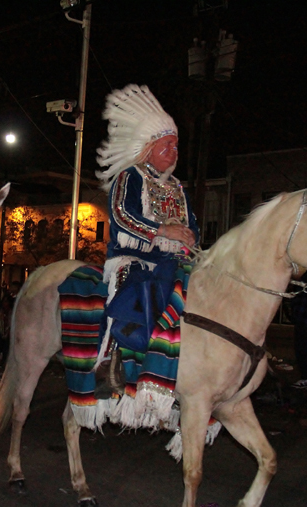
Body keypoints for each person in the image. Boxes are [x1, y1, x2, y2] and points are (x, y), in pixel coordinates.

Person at [94, 84, 199, 397]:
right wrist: (164, 231)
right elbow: (121, 215)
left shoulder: (178, 187)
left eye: (176, 147)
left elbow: (190, 223)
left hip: (172, 260)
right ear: (148, 146)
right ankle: (110, 361)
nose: (174, 153)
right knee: (126, 289)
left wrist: (190, 236)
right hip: (132, 257)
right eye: (167, 145)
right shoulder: (131, 176)